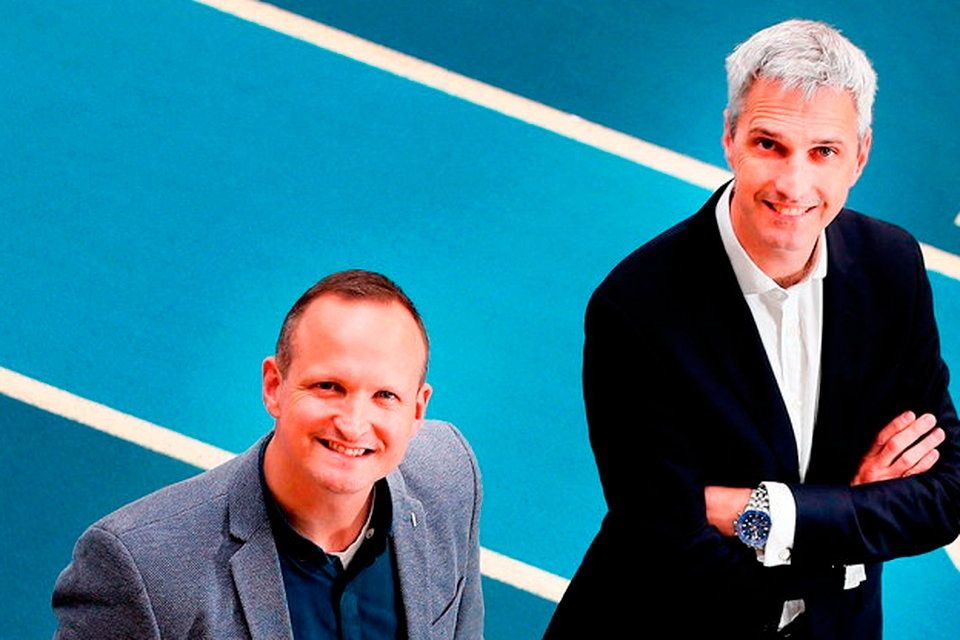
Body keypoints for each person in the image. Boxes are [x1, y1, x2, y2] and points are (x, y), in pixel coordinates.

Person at [544, 19, 960, 639]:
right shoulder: (635, 307)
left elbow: (945, 492)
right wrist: (853, 515)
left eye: (824, 151)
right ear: (730, 137)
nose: (794, 185)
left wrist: (766, 514)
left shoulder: (891, 267)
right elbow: (670, 542)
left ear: (861, 156)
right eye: (770, 145)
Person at [53, 269, 484, 639]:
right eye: (328, 387)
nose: (353, 424)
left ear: (417, 410)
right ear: (274, 387)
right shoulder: (142, 569)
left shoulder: (449, 479)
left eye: (384, 395)